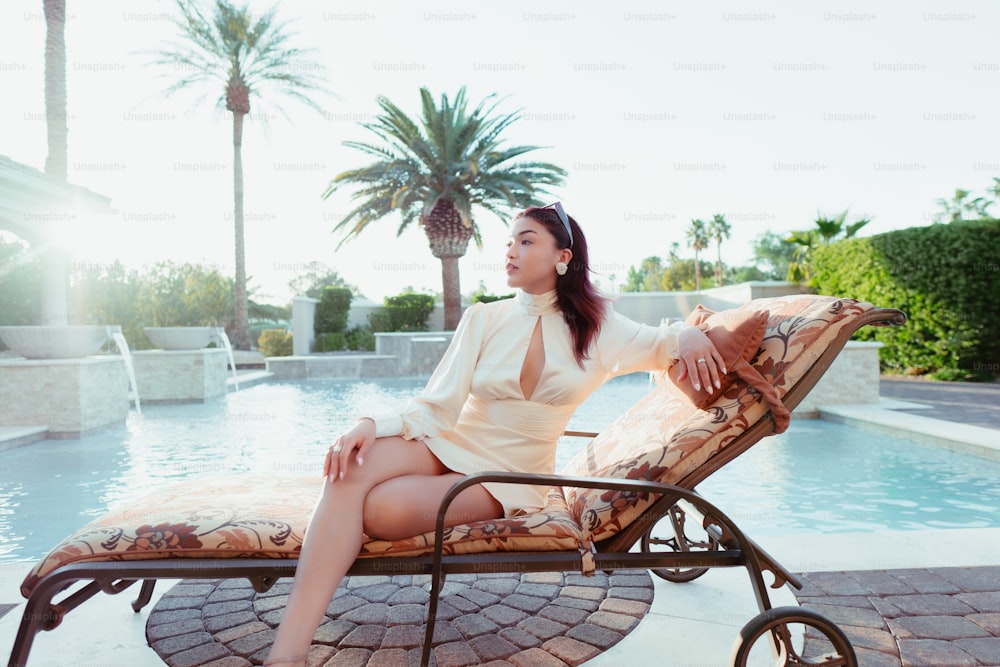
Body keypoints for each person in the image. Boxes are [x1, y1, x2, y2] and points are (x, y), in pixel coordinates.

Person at [264, 203, 725, 665]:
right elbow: (437, 406)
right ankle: (289, 654)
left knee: (379, 509)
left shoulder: (598, 327)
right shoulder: (483, 317)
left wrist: (687, 336)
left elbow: (663, 342)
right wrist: (369, 424)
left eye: (526, 241)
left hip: (510, 472)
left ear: (562, 258)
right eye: (509, 241)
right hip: (450, 441)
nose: (510, 250)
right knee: (348, 471)